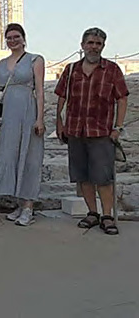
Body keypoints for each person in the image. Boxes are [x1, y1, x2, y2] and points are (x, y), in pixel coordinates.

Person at [55, 27, 128, 235]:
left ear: (103, 46)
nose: (94, 47)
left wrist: (118, 127)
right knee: (82, 176)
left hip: (101, 131)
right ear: (82, 45)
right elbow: (61, 97)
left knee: (103, 178)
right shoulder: (71, 70)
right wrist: (59, 124)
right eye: (90, 43)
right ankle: (92, 213)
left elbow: (122, 98)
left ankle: (107, 216)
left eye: (98, 44)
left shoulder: (112, 70)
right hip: (75, 130)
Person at [0, 23, 45, 227]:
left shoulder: (34, 60)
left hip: (27, 109)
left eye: (16, 36)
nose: (13, 40)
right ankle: (19, 203)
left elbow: (39, 90)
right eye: (9, 37)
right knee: (9, 154)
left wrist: (40, 118)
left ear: (23, 37)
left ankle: (28, 206)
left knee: (29, 156)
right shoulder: (1, 64)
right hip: (9, 112)